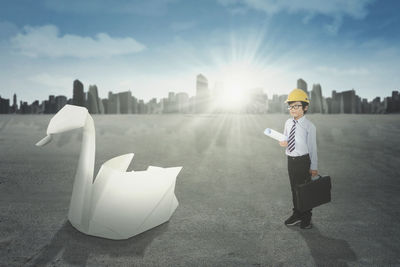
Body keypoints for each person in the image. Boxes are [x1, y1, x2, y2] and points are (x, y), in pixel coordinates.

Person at [279, 88, 318, 229]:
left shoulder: (309, 126)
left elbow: (313, 148)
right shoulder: (288, 123)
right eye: (290, 106)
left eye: (296, 106)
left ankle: (306, 217)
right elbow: (286, 138)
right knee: (294, 189)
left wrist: (313, 167)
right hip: (291, 160)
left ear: (305, 107)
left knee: (305, 190)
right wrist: (283, 142)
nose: (292, 109)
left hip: (303, 161)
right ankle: (297, 214)